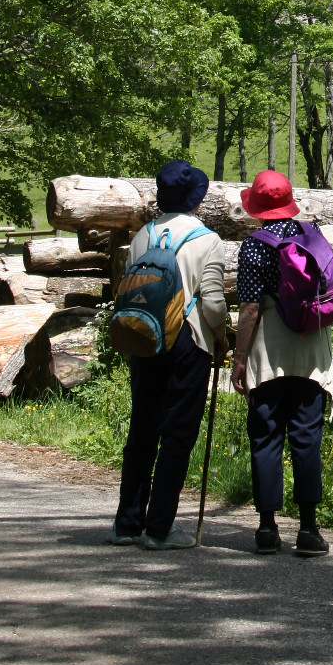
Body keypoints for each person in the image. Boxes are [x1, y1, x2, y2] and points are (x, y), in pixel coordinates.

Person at [109, 160, 228, 550]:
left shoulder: (142, 235)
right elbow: (211, 303)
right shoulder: (206, 240)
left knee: (142, 428)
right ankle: (159, 528)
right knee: (177, 434)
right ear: (196, 198)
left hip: (144, 337)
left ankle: (127, 523)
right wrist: (222, 338)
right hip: (188, 342)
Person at [232, 170, 333, 557]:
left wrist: (239, 358)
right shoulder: (313, 237)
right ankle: (308, 529)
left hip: (267, 350)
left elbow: (249, 307)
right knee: (307, 437)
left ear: (257, 208)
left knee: (266, 435)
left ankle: (266, 527)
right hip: (311, 347)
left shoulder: (254, 246)